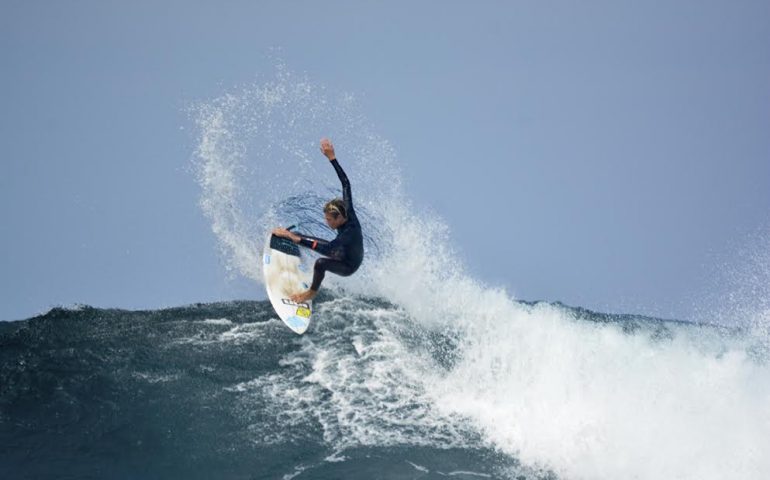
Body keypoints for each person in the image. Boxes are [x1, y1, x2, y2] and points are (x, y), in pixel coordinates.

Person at [272, 138, 364, 303]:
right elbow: (346, 183)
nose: (327, 222)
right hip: (339, 251)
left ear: (340, 217)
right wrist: (332, 158)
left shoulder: (349, 233)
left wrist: (296, 239)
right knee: (295, 234)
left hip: (348, 264)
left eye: (329, 220)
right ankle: (287, 254)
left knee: (320, 263)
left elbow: (328, 248)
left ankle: (310, 293)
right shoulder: (346, 209)